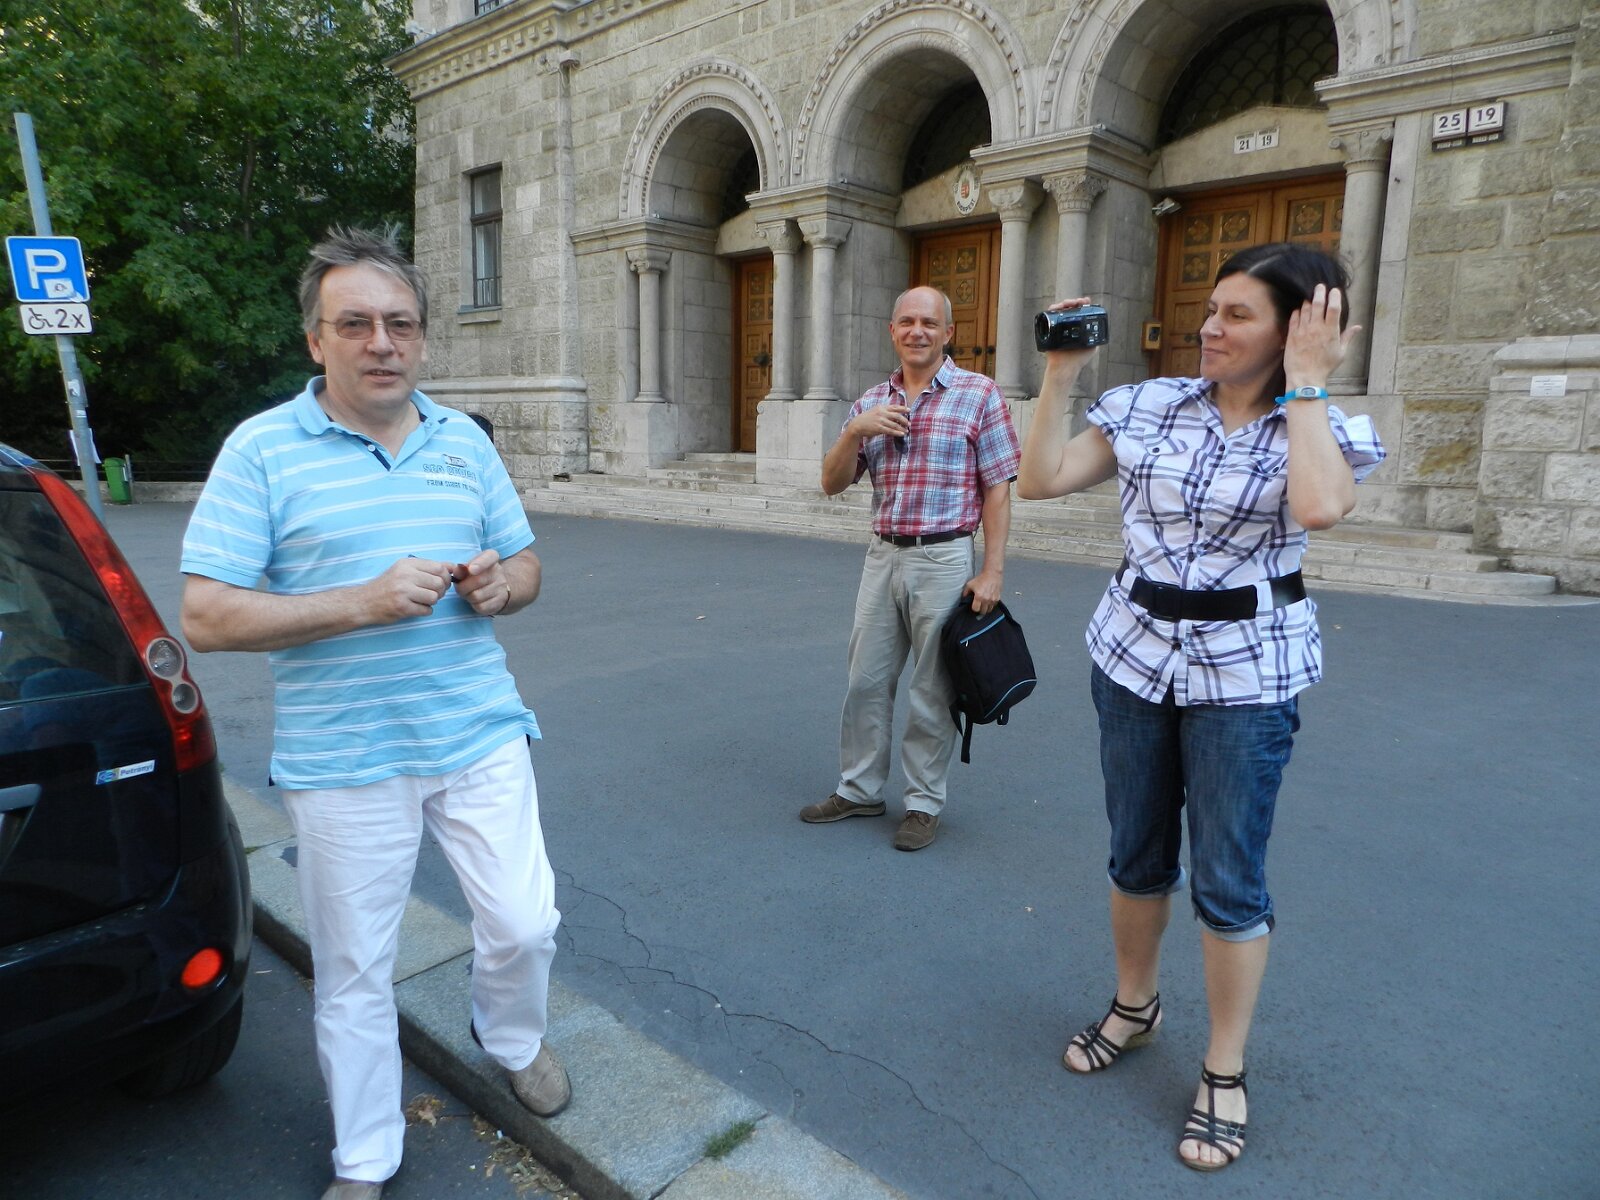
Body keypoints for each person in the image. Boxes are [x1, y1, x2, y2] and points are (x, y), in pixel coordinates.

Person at [179, 227, 568, 1200]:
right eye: (354, 324)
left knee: (525, 924)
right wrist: (360, 600)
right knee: (356, 968)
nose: (381, 342)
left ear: (424, 338)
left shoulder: (463, 441)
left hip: (477, 730)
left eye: (399, 323)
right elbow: (207, 615)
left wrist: (502, 587)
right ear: (316, 340)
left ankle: (511, 1037)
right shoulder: (262, 450)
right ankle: (365, 1158)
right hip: (344, 757)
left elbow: (526, 564)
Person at [1016, 243, 1384, 1171]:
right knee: (1135, 853)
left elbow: (1320, 507)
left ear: (1299, 328)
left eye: (1237, 315)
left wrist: (1307, 385)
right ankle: (1135, 1006)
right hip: (1133, 657)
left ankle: (1224, 1065)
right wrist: (1059, 375)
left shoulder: (1326, 427)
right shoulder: (1149, 404)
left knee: (1228, 879)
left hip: (1247, 677)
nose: (1210, 328)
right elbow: (1041, 479)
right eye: (1212, 309)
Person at [799, 285, 1021, 851]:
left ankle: (923, 803)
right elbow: (831, 484)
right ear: (892, 331)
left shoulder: (978, 394)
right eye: (906, 322)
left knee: (933, 686)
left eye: (929, 322)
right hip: (883, 554)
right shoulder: (871, 402)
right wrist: (854, 431)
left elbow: (998, 489)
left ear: (948, 332)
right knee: (865, 681)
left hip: (945, 557)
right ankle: (859, 789)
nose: (917, 331)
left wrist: (992, 570)